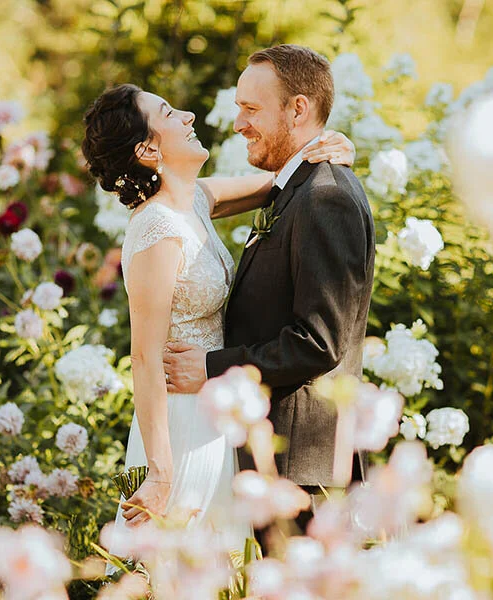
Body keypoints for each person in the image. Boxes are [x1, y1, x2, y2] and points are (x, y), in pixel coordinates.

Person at [81, 81, 355, 553]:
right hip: (181, 420)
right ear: (148, 149)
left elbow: (281, 183)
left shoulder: (195, 202)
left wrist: (330, 147)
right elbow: (144, 358)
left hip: (213, 409)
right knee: (182, 558)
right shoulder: (156, 229)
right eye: (168, 112)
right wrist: (160, 471)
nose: (187, 115)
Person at [163, 44, 376, 541]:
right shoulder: (300, 190)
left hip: (305, 467)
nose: (239, 123)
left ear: (297, 109)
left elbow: (319, 342)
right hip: (280, 462)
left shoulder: (326, 198)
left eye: (251, 109)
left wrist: (210, 369)